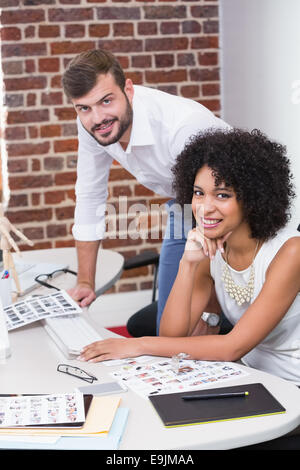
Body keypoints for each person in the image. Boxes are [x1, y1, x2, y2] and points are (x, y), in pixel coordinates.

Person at [78, 128, 300, 388]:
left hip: (290, 385)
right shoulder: (212, 247)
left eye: (222, 195)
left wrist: (136, 345)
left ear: (253, 198)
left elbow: (232, 347)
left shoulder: (290, 252)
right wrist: (188, 263)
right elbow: (171, 334)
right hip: (249, 374)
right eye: (198, 193)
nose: (205, 207)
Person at [61, 49, 229, 332]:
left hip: (233, 210)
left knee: (201, 326)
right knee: (169, 328)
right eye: (84, 108)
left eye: (106, 101)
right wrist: (86, 283)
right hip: (184, 206)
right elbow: (90, 195)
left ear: (128, 89)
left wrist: (209, 307)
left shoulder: (182, 126)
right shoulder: (90, 122)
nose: (97, 117)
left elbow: (217, 204)